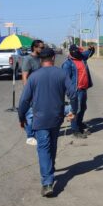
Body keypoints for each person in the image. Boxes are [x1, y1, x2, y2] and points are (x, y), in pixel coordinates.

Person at [18, 47, 77, 197]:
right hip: (56, 117)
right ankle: (50, 169)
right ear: (52, 58)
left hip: (40, 118)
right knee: (53, 143)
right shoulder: (61, 73)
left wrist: (21, 117)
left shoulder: (34, 77)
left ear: (40, 59)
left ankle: (47, 183)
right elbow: (73, 94)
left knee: (43, 148)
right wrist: (73, 111)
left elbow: (24, 99)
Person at [62, 44, 96, 138]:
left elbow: (89, 53)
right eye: (76, 52)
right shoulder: (67, 64)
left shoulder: (81, 57)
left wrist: (92, 49)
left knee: (83, 108)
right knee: (75, 110)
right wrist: (69, 92)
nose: (78, 53)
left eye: (79, 52)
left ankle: (79, 124)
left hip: (83, 89)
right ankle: (75, 130)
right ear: (71, 53)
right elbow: (65, 80)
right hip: (75, 91)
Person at [20, 39, 45, 146]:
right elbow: (24, 77)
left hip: (41, 90)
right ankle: (30, 136)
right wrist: (28, 91)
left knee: (39, 112)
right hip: (32, 91)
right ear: (35, 48)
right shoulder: (28, 59)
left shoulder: (40, 58)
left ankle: (37, 131)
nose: (43, 49)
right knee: (30, 114)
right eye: (41, 47)